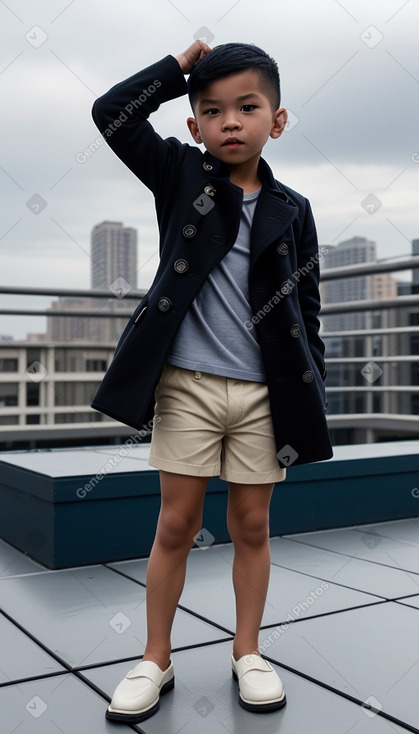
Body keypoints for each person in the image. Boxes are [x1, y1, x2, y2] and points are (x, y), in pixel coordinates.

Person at [91, 39, 333, 724]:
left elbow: (305, 305)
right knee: (175, 522)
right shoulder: (179, 177)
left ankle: (248, 652)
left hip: (265, 393)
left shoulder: (293, 207)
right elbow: (112, 114)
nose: (230, 121)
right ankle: (154, 658)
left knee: (251, 524)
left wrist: (311, 380)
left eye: (247, 107)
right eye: (212, 110)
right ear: (194, 125)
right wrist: (174, 70)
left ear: (275, 121)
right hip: (188, 387)